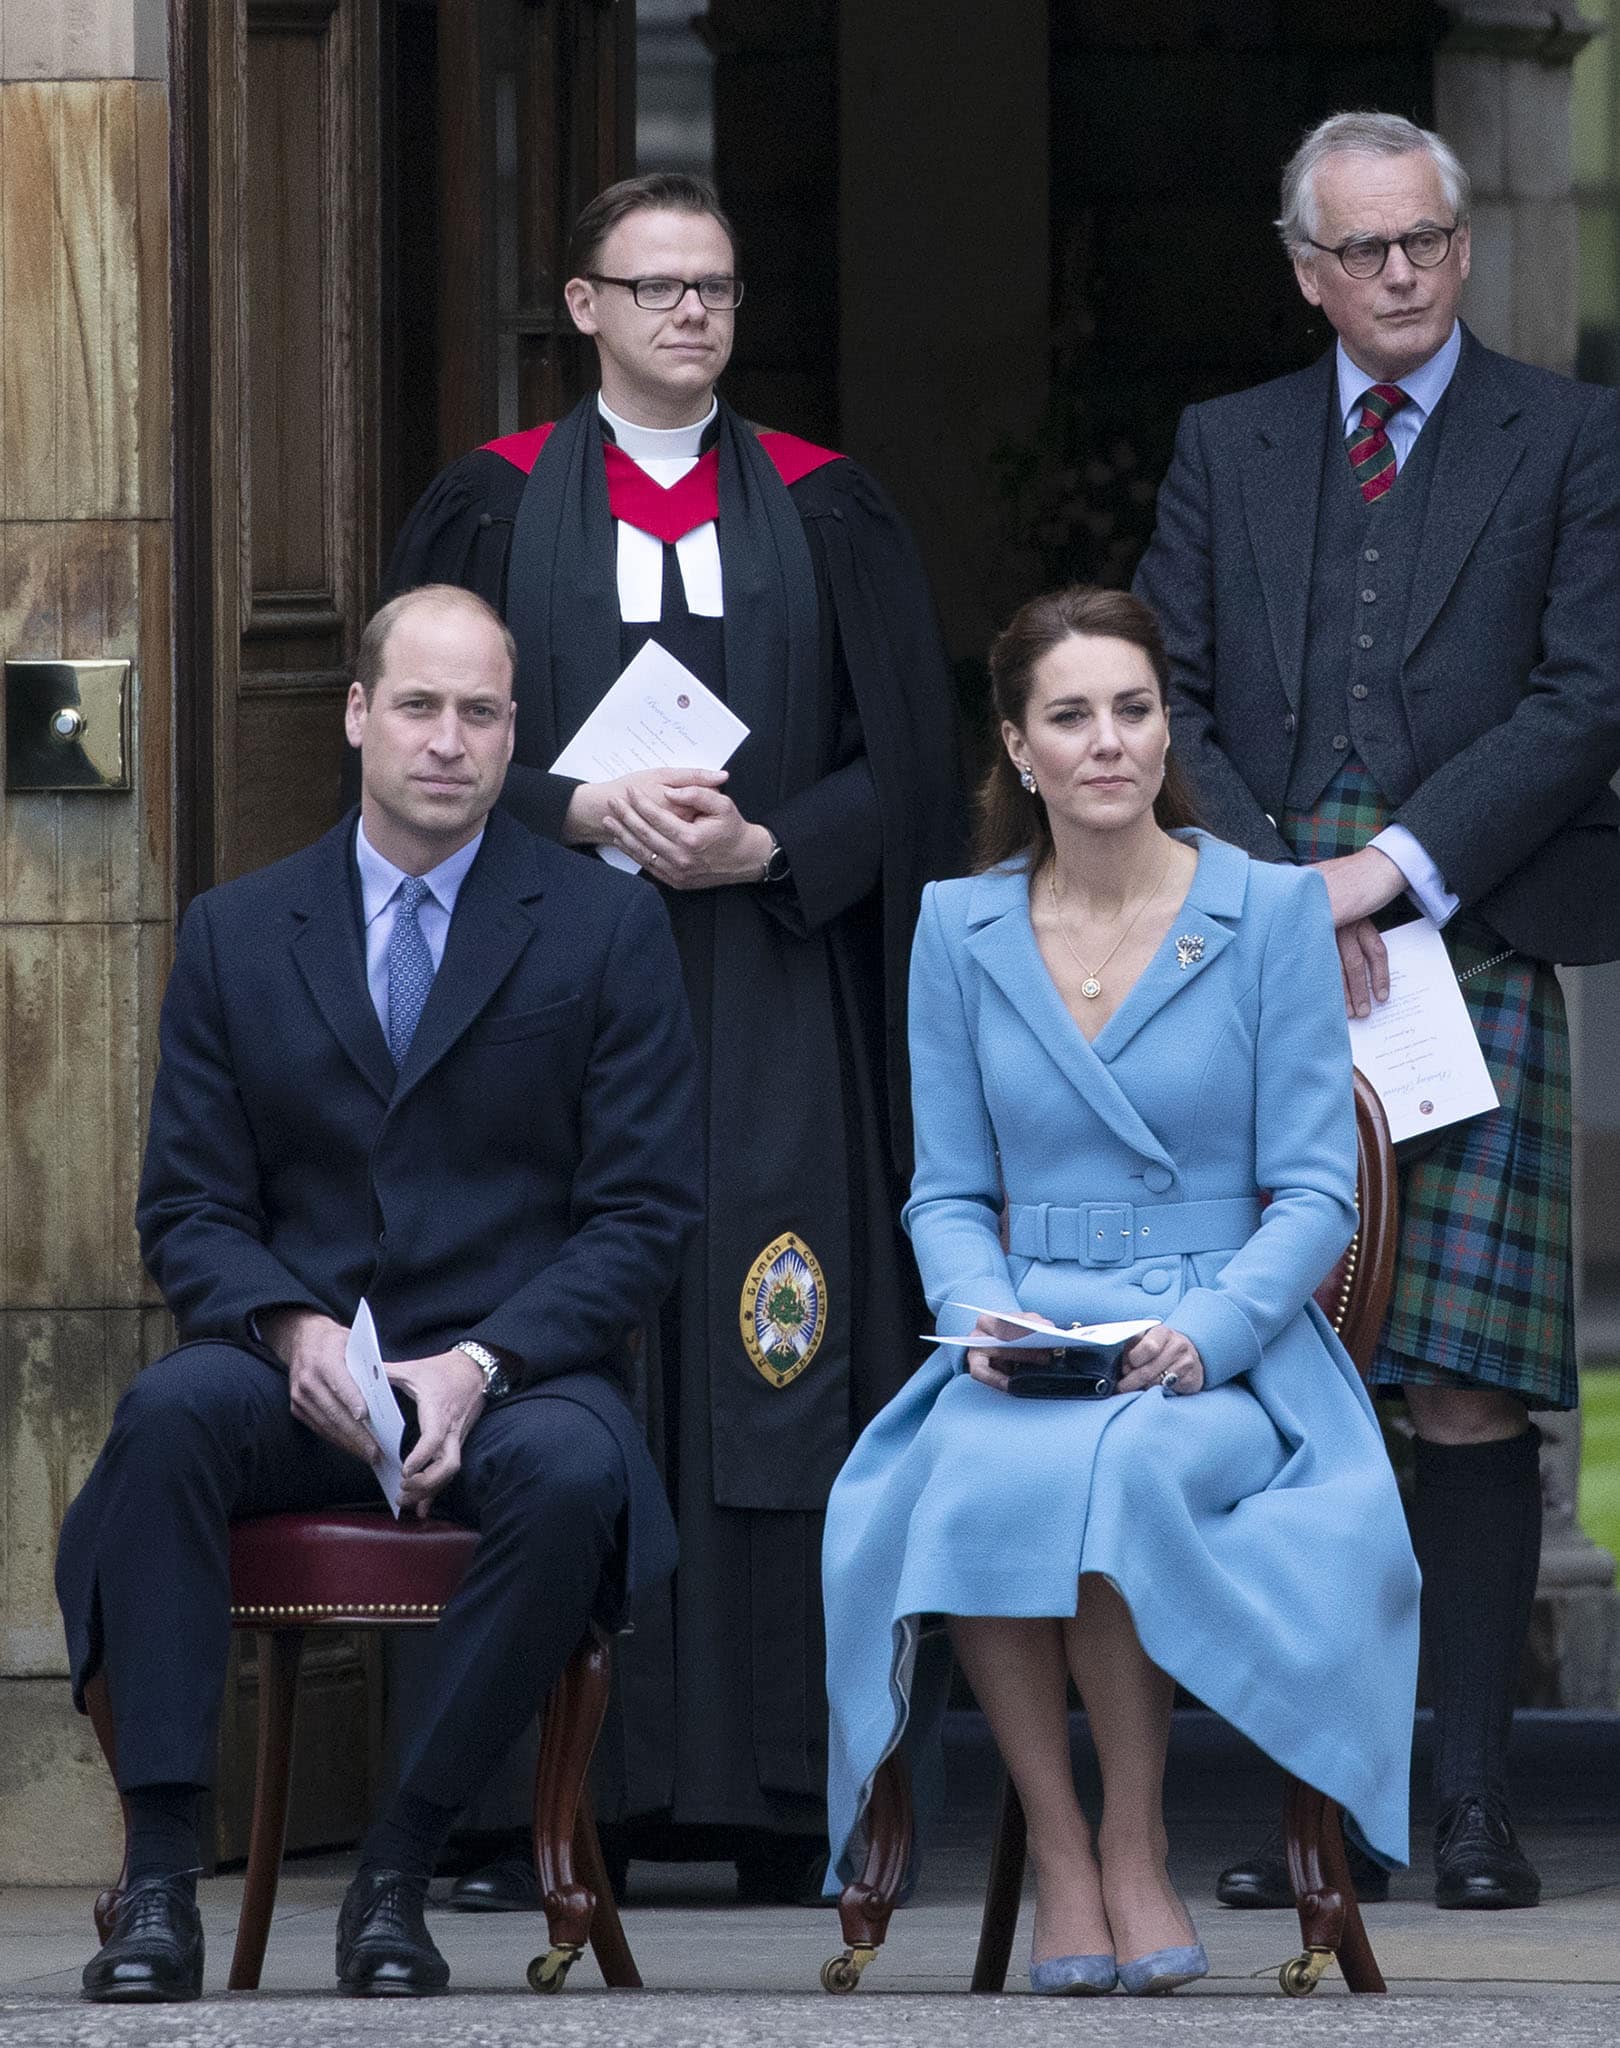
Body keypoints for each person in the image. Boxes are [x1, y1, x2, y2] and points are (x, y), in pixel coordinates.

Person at [386, 171, 964, 1902]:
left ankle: (784, 1791)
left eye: (713, 287)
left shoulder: (827, 505)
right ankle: (510, 1804)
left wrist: (769, 845)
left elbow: (919, 768)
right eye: (654, 289)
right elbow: (422, 740)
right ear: (584, 309)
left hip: (770, 987)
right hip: (538, 991)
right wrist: (574, 806)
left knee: (775, 1336)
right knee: (554, 1335)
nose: (690, 315)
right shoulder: (485, 510)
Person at [55, 585, 701, 2001]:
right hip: (300, 1375)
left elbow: (644, 1217)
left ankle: (397, 1875)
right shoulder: (237, 931)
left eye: (481, 713)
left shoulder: (602, 931)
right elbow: (189, 1207)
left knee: (580, 1477)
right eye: (418, 706)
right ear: (358, 716)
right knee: (164, 1418)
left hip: (510, 1374)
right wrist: (287, 1331)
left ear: (515, 731)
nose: (449, 742)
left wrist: (482, 1363)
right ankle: (161, 1877)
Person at [1134, 110, 1620, 1911]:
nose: (1405, 274)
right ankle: (1320, 1812)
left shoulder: (1570, 436)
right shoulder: (1228, 443)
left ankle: (1475, 1806)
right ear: (1306, 269)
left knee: (1468, 1390)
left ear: (1464, 246)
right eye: (1368, 251)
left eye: (1429, 241)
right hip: (1262, 936)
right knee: (1289, 1366)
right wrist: (1280, 887)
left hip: (1468, 931)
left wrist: (1390, 873)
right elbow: (1163, 682)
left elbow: (1588, 698)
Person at [821, 586, 1420, 1994]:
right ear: (1020, 751)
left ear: (1166, 730)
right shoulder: (954, 929)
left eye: (1134, 710)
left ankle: (1136, 1840)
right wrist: (985, 1320)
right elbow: (949, 1190)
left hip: (1231, 1346)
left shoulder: (1268, 910)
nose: (1109, 743)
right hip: (1032, 1327)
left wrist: (1205, 1337)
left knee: (1124, 1471)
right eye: (1072, 717)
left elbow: (1318, 1192)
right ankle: (1064, 1853)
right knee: (971, 1472)